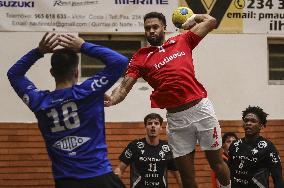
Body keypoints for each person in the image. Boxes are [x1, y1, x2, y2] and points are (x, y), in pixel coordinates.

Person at [104, 11, 231, 188]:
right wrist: (112, 99)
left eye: (155, 27)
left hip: (201, 111)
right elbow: (124, 87)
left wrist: (192, 20)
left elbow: (211, 21)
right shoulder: (140, 57)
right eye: (147, 28)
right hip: (176, 120)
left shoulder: (182, 39)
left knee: (217, 165)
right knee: (187, 176)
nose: (151, 31)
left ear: (164, 28)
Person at [7, 32, 128, 188]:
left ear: (52, 73)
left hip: (65, 182)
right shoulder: (87, 92)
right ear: (76, 72)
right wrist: (83, 46)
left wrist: (38, 52)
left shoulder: (39, 102)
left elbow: (14, 74)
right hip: (100, 178)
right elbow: (120, 61)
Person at [114, 113, 182, 188]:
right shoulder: (134, 146)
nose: (153, 126)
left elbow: (178, 176)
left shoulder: (167, 148)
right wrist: (114, 181)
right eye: (149, 123)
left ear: (160, 127)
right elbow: (120, 169)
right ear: (145, 127)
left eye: (156, 123)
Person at [228, 106, 284, 188]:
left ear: (261, 126)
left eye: (253, 121)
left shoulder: (268, 147)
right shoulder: (235, 145)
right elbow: (229, 173)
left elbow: (278, 179)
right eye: (246, 120)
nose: (248, 123)